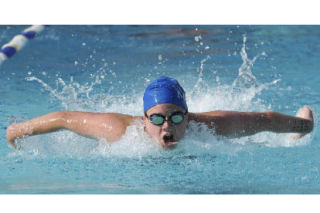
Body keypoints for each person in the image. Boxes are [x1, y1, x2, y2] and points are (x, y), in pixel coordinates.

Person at [6, 76, 314, 150]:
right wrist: (16, 131)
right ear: (144, 119)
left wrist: (304, 125)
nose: (167, 125)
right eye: (157, 118)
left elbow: (265, 120)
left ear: (188, 117)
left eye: (177, 117)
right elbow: (64, 118)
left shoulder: (211, 128)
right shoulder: (120, 132)